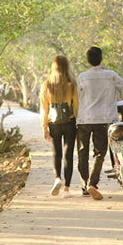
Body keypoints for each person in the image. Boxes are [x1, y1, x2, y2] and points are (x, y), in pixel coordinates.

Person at [76, 46, 123, 200]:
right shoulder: (110, 75)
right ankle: (92, 184)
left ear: (88, 61)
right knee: (99, 153)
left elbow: (77, 98)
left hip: (84, 119)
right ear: (101, 59)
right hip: (104, 119)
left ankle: (84, 186)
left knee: (82, 153)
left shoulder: (82, 77)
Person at [40, 55, 79, 198]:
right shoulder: (72, 83)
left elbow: (44, 108)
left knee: (57, 154)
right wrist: (79, 126)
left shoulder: (47, 84)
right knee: (68, 156)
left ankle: (57, 178)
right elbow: (77, 107)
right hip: (70, 122)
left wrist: (44, 128)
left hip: (54, 123)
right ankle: (67, 189)